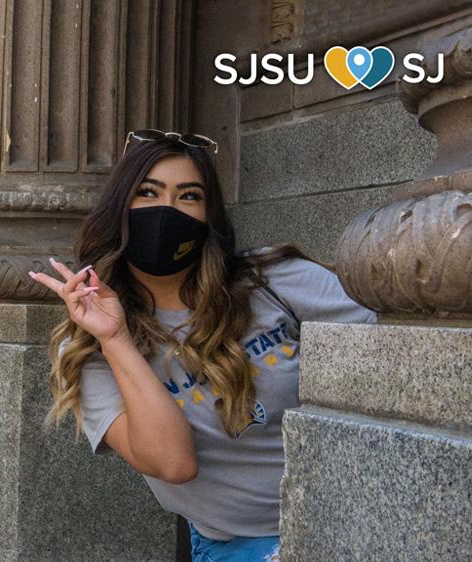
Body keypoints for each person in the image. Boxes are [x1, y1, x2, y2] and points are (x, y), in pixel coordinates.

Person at [30, 131, 374, 562]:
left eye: (188, 196)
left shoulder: (273, 281)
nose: (166, 211)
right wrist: (116, 338)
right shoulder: (87, 348)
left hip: (358, 520)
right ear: (119, 207)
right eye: (148, 192)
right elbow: (174, 464)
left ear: (208, 215)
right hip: (242, 545)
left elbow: (395, 337)